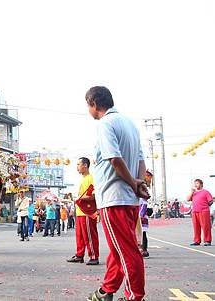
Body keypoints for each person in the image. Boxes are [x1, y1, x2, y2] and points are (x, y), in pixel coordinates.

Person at [85, 86, 148, 301]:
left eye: (88, 106)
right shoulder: (129, 124)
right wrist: (139, 183)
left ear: (94, 104)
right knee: (119, 248)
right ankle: (107, 290)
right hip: (128, 199)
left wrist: (132, 183)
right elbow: (140, 160)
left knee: (127, 251)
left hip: (114, 197)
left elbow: (114, 159)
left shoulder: (105, 124)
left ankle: (135, 296)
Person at [67, 157, 99, 266]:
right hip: (80, 211)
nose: (77, 167)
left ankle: (94, 256)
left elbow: (94, 194)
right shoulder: (83, 179)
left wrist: (82, 198)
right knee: (80, 235)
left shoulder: (91, 178)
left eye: (78, 164)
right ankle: (79, 255)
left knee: (89, 235)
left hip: (87, 212)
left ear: (85, 165)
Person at [187, 179, 213, 246]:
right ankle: (197, 241)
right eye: (195, 183)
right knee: (196, 227)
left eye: (197, 183)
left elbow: (211, 201)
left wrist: (205, 206)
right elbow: (188, 199)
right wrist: (192, 192)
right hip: (195, 212)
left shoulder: (206, 192)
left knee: (205, 226)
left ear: (201, 184)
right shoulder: (194, 193)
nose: (195, 185)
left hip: (203, 212)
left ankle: (207, 240)